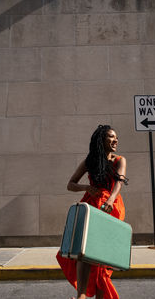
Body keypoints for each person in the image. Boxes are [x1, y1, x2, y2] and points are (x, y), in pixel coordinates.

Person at [56, 125, 128, 299]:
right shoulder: (90, 161)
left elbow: (119, 183)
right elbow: (70, 184)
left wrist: (110, 200)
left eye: (116, 137)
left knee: (102, 256)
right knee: (83, 251)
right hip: (90, 207)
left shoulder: (119, 160)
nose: (115, 140)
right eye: (111, 137)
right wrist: (87, 187)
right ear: (101, 140)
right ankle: (81, 295)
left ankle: (99, 295)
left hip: (110, 208)